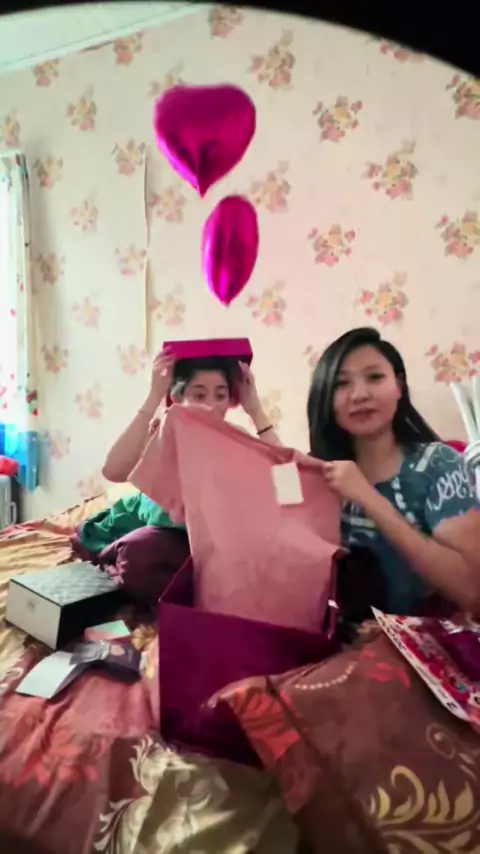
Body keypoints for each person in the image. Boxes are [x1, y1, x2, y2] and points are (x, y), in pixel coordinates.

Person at [306, 327, 480, 616]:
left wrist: (368, 498)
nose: (359, 395)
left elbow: (472, 592)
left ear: (398, 386)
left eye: (375, 377)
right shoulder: (319, 475)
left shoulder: (438, 464)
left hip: (428, 640)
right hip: (342, 639)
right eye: (341, 383)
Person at [102, 348, 281, 483]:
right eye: (199, 395)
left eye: (220, 395)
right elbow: (113, 472)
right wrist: (154, 396)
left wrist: (256, 411)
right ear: (177, 399)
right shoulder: (161, 436)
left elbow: (288, 488)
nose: (211, 406)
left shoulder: (237, 439)